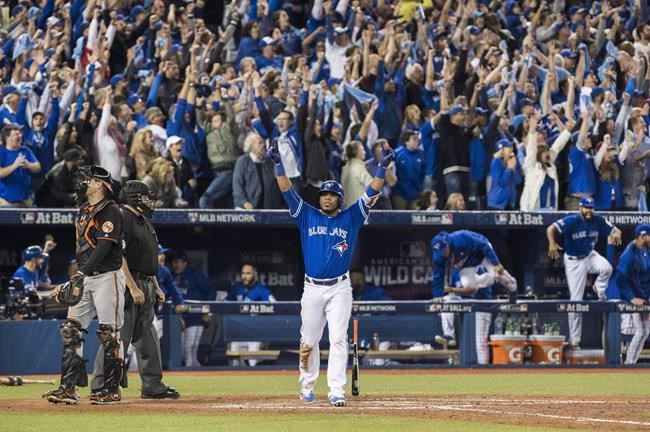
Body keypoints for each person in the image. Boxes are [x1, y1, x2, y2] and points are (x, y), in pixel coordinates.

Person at [268, 139, 394, 407]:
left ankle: (337, 390)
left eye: (332, 195)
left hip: (340, 287)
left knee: (338, 339)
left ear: (339, 198)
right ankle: (307, 386)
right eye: (324, 194)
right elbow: (287, 191)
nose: (327, 197)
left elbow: (371, 193)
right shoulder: (307, 215)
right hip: (312, 287)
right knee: (309, 340)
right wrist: (279, 165)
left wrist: (382, 168)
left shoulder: (351, 216)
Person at [43, 166, 126, 405]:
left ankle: (111, 390)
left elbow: (104, 246)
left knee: (109, 334)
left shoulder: (111, 210)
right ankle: (68, 389)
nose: (82, 182)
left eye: (88, 179)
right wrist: (80, 274)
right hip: (86, 276)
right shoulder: (83, 209)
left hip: (107, 276)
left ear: (100, 185)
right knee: (70, 329)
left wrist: (81, 272)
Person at [90, 180, 179, 400]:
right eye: (146, 197)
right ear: (135, 198)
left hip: (146, 283)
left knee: (148, 337)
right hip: (128, 285)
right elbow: (120, 256)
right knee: (119, 336)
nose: (150, 201)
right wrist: (132, 287)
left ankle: (153, 385)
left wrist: (155, 285)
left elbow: (147, 257)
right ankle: (101, 384)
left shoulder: (144, 220)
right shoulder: (122, 217)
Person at [546, 197, 622, 347]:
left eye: (591, 207)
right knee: (576, 301)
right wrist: (552, 244)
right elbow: (550, 229)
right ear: (580, 208)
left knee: (607, 268)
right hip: (574, 261)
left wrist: (617, 233)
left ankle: (599, 288)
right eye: (586, 207)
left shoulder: (598, 220)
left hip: (589, 255)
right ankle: (575, 340)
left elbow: (615, 229)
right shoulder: (572, 221)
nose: (589, 210)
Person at [430, 230, 518, 360]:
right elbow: (437, 275)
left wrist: (496, 262)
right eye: (440, 251)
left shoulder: (461, 238)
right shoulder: (439, 256)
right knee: (467, 284)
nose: (443, 252)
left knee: (498, 274)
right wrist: (437, 295)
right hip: (469, 264)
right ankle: (449, 335)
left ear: (447, 243)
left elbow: (483, 244)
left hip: (482, 252)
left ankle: (512, 286)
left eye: (444, 249)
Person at [170, 251, 216, 367]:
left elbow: (211, 290)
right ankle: (198, 372)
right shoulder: (169, 276)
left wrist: (207, 311)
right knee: (181, 354)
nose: (175, 265)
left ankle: (191, 376)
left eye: (177, 262)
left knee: (189, 350)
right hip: (178, 318)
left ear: (185, 263)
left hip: (195, 317)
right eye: (173, 262)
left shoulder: (195, 275)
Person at [226, 263, 276, 367]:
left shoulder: (262, 290)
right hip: (239, 332)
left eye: (248, 273)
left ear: (255, 275)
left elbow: (275, 306)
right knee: (234, 360)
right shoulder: (237, 288)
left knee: (252, 361)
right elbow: (225, 304)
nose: (245, 276)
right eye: (243, 273)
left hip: (255, 332)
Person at [615, 224, 650, 364]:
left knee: (645, 331)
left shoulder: (645, 249)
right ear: (642, 236)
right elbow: (620, 279)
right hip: (637, 297)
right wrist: (632, 297)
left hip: (646, 295)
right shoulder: (628, 255)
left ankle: (630, 362)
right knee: (641, 331)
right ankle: (629, 363)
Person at [0, 124, 41, 206]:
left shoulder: (26, 150)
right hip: (6, 202)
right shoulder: (2, 152)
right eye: (16, 134)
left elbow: (38, 167)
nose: (20, 136)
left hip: (25, 200)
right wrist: (14, 166)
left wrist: (29, 165)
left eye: (20, 134)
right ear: (7, 138)